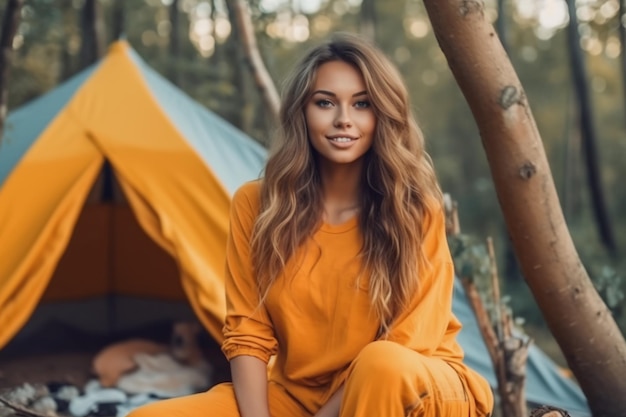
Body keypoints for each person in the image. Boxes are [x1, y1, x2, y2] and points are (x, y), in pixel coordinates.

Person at [128, 32, 494, 417]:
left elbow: (409, 339)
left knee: (381, 363)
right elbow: (247, 334)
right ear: (301, 112)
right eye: (325, 103)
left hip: (419, 387)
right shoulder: (256, 204)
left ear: (383, 113)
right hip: (300, 397)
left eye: (362, 104)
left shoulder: (415, 209)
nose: (343, 120)